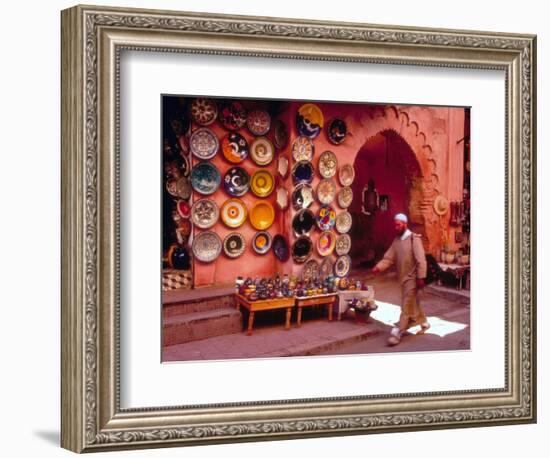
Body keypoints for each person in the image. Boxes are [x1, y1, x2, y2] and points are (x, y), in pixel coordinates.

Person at [371, 213, 430, 346]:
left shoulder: (413, 239)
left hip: (413, 278)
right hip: (403, 279)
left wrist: (421, 277)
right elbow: (388, 258)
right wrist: (378, 268)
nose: (396, 227)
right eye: (395, 225)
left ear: (405, 224)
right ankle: (424, 322)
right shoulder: (397, 241)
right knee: (412, 302)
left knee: (406, 304)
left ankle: (397, 332)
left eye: (398, 225)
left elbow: (421, 260)